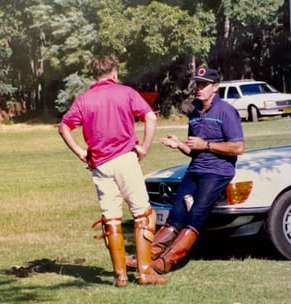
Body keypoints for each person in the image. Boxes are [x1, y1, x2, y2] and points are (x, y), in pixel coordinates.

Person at [58, 54, 166, 287]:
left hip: (100, 165)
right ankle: (145, 273)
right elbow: (149, 116)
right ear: (115, 72)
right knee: (143, 215)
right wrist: (145, 147)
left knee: (111, 219)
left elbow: (64, 127)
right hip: (126, 160)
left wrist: (80, 152)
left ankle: (120, 276)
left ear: (94, 74)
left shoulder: (84, 99)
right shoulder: (126, 92)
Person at [127, 67, 245, 273]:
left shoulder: (226, 111)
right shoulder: (195, 112)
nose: (199, 88)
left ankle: (168, 261)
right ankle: (146, 257)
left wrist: (205, 145)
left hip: (217, 171)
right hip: (195, 169)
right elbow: (193, 149)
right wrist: (180, 144)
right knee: (176, 215)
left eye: (204, 84)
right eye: (197, 84)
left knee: (196, 215)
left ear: (215, 88)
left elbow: (238, 148)